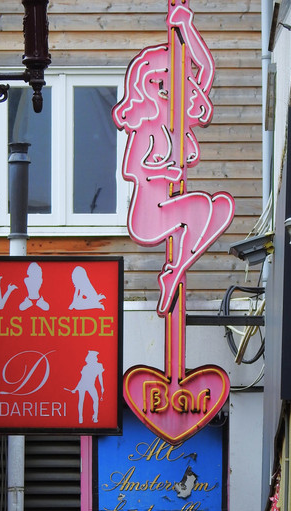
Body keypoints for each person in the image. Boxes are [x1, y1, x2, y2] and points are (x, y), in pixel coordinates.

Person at [112, 3, 234, 315]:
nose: (171, 90)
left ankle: (176, 270)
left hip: (171, 210)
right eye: (161, 84)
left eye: (174, 82)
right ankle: (175, 271)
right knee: (202, 206)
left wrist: (186, 28)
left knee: (220, 206)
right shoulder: (148, 129)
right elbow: (135, 170)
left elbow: (205, 68)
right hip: (149, 217)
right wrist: (166, 173)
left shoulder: (180, 120)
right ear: (148, 89)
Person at [72, 350, 104, 424]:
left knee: (96, 399)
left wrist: (102, 387)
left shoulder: (99, 365)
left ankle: (95, 417)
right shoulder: (85, 367)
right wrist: (75, 389)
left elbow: (100, 377)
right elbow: (82, 379)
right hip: (83, 385)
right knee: (81, 401)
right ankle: (80, 418)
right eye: (95, 356)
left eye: (96, 356)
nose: (96, 358)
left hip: (91, 385)